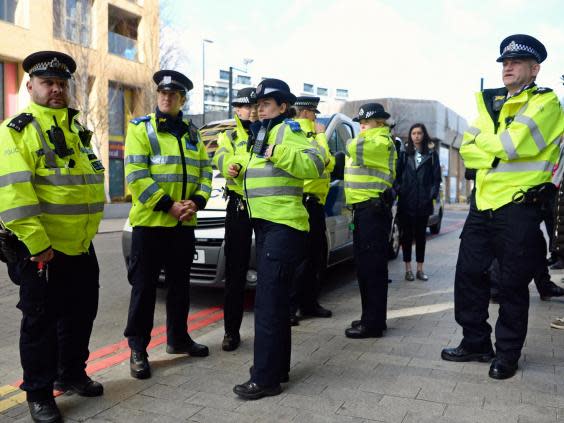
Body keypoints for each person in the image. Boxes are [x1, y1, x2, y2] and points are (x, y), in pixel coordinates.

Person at [441, 34, 564, 380]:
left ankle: (507, 354)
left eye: (515, 63)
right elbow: (468, 150)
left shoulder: (546, 103)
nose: (507, 67)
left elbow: (509, 147)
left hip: (519, 207)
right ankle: (476, 341)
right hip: (482, 206)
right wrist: (487, 146)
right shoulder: (488, 103)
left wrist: (486, 146)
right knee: (467, 276)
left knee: (511, 285)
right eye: (504, 62)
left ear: (534, 68)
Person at [0, 51, 105, 423]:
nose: (57, 89)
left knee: (81, 315)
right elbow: (14, 194)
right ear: (30, 86)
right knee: (40, 326)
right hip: (42, 251)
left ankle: (72, 373)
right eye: (48, 83)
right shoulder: (18, 129)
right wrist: (37, 245)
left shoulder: (77, 130)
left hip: (80, 245)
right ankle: (40, 394)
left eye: (62, 83)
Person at [230, 79, 324, 399]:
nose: (259, 110)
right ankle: (277, 370)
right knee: (277, 304)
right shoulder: (262, 133)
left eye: (266, 105)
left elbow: (314, 164)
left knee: (268, 305)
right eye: (257, 105)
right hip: (268, 225)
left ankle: (265, 378)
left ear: (283, 107)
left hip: (284, 225)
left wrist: (273, 151)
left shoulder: (290, 130)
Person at [124, 70, 212, 380]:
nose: (166, 97)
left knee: (180, 287)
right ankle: (138, 349)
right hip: (151, 223)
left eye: (173, 94)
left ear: (182, 99)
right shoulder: (140, 129)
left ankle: (178, 339)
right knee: (145, 289)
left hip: (184, 225)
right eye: (162, 92)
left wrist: (196, 203)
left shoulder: (192, 132)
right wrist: (169, 205)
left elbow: (205, 172)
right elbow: (135, 174)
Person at [344, 103, 397, 339]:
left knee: (372, 270)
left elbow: (351, 146)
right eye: (360, 122)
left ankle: (373, 324)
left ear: (380, 122)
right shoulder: (373, 140)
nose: (362, 125)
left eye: (366, 121)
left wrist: (354, 139)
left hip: (372, 211)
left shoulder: (382, 142)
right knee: (365, 269)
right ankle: (371, 317)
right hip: (364, 211)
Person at [212, 87, 257, 351]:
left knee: (270, 268)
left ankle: (271, 323)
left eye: (253, 105)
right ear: (236, 110)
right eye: (244, 106)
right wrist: (229, 165)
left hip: (265, 206)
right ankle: (231, 331)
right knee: (235, 271)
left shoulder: (269, 132)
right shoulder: (227, 136)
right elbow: (221, 158)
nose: (250, 110)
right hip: (239, 207)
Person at [289, 96, 335, 325]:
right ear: (306, 112)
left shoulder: (314, 134)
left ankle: (309, 303)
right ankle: (293, 307)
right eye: (314, 113)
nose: (316, 117)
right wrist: (319, 135)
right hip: (303, 201)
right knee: (301, 258)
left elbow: (331, 164)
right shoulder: (300, 132)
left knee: (315, 257)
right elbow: (325, 160)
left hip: (315, 203)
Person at [395, 123, 441, 281]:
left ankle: (420, 269)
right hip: (406, 202)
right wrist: (400, 190)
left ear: (424, 135)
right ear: (410, 135)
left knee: (421, 236)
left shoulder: (432, 154)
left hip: (423, 203)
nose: (416, 136)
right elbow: (397, 176)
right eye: (413, 133)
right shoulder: (404, 153)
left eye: (419, 133)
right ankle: (408, 269)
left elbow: (437, 179)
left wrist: (431, 195)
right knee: (406, 236)